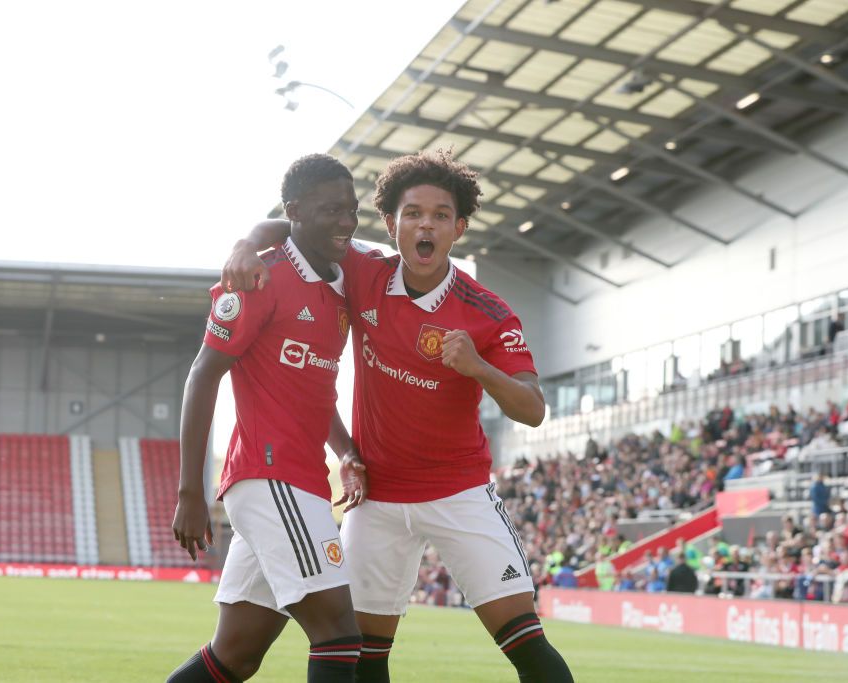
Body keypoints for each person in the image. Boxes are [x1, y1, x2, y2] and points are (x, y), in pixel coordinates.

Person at [221, 149, 574, 682]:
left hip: (459, 493)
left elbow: (533, 409)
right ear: (392, 224)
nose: (424, 224)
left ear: (458, 228)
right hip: (378, 500)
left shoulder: (488, 312)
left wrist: (478, 368)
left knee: (525, 642)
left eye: (438, 215)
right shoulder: (363, 269)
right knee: (363, 655)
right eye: (412, 213)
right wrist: (247, 243)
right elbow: (297, 226)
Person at [167, 154, 366, 683]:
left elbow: (316, 388)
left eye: (352, 209)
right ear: (296, 211)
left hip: (299, 481)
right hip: (268, 475)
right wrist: (191, 489)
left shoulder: (340, 279)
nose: (346, 221)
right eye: (331, 210)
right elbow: (203, 374)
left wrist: (346, 449)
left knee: (233, 656)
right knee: (340, 635)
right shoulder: (259, 277)